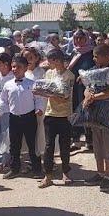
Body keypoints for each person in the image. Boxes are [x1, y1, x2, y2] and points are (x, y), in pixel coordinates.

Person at [0, 54, 45, 179]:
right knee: (14, 145)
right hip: (14, 118)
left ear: (25, 68)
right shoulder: (8, 85)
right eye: (13, 67)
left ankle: (37, 169)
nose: (15, 69)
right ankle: (14, 169)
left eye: (18, 67)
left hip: (29, 117)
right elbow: (3, 100)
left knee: (32, 144)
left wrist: (39, 109)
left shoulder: (32, 84)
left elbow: (38, 98)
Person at [82, 44, 109, 192]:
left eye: (96, 56)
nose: (94, 59)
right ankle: (99, 172)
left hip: (108, 110)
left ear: (106, 56)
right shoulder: (93, 70)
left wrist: (94, 97)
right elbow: (87, 86)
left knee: (108, 144)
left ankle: (108, 176)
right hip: (94, 111)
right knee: (97, 144)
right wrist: (87, 96)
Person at [38, 49, 75, 188]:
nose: (48, 63)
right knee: (48, 146)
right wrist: (42, 91)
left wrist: (49, 93)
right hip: (50, 114)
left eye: (50, 60)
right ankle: (47, 176)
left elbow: (65, 95)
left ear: (57, 60)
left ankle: (66, 173)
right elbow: (47, 90)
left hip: (64, 115)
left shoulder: (69, 75)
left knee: (65, 146)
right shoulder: (49, 73)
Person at [67, 29, 96, 151]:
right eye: (76, 38)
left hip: (86, 88)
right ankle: (76, 139)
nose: (79, 40)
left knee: (86, 111)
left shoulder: (91, 52)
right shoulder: (74, 52)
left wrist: (84, 76)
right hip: (74, 88)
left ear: (87, 38)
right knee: (75, 111)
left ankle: (89, 140)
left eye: (81, 38)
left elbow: (95, 68)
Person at [23, 46, 47, 169]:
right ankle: (31, 159)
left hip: (39, 107)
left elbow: (43, 91)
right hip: (25, 107)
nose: (28, 59)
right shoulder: (23, 72)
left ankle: (43, 159)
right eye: (25, 57)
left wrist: (41, 107)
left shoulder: (41, 73)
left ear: (36, 58)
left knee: (39, 133)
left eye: (30, 57)